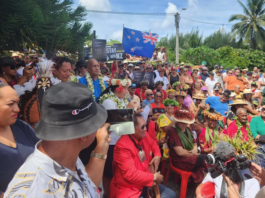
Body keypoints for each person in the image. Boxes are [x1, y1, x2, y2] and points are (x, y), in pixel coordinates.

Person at [4, 82, 110, 198]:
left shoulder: (68, 156)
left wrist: (102, 146)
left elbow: (85, 189)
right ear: (84, 134)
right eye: (96, 125)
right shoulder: (33, 191)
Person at [110, 113, 175, 198]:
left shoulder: (143, 135)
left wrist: (157, 156)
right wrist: (153, 177)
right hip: (130, 189)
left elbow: (153, 144)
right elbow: (131, 174)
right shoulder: (122, 146)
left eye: (146, 126)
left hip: (145, 182)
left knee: (171, 194)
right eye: (142, 126)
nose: (145, 129)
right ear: (132, 128)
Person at [0, 84, 39, 196]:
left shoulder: (20, 126)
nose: (17, 109)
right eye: (10, 104)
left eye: (17, 103)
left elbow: (43, 152)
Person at [98, 78, 133, 197]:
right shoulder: (108, 101)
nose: (127, 91)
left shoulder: (120, 100)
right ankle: (107, 195)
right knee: (108, 172)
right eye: (126, 88)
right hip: (111, 142)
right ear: (119, 88)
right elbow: (114, 125)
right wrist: (129, 110)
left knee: (116, 171)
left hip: (119, 141)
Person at [167, 108, 208, 183]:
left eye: (186, 123)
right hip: (179, 160)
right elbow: (180, 153)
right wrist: (194, 153)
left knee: (208, 160)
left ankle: (203, 182)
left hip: (190, 156)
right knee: (205, 159)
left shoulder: (188, 129)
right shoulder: (173, 131)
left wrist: (194, 149)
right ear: (177, 121)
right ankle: (204, 183)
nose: (184, 124)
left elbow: (195, 142)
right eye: (182, 122)